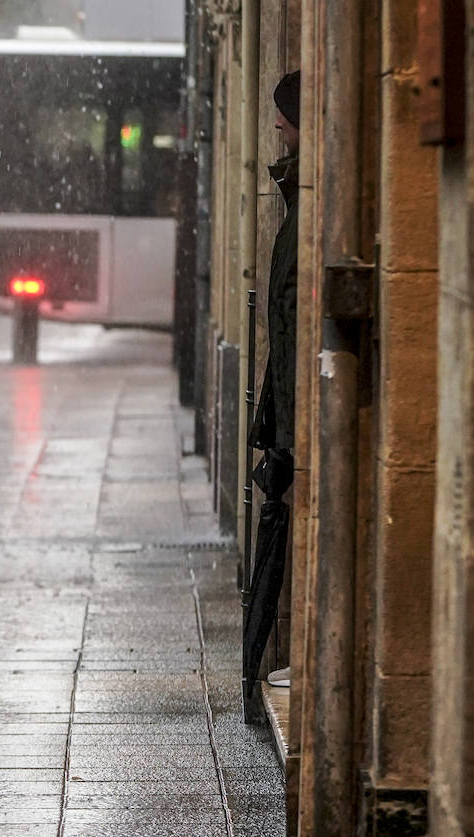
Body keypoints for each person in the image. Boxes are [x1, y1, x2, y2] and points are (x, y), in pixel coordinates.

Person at [247, 70, 301, 691]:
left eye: (284, 115)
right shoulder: (293, 194)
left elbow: (290, 319)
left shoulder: (306, 197)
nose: (276, 127)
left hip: (295, 411)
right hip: (285, 411)